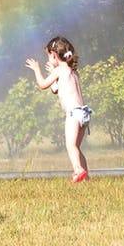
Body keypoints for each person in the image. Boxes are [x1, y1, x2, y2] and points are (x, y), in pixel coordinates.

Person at [25, 36, 92, 183]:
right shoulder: (71, 71)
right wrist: (54, 76)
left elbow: (42, 84)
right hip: (84, 114)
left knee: (70, 145)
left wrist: (37, 70)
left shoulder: (60, 70)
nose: (48, 60)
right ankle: (86, 178)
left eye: (48, 56)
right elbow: (55, 89)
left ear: (54, 55)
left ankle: (78, 170)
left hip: (73, 115)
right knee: (77, 148)